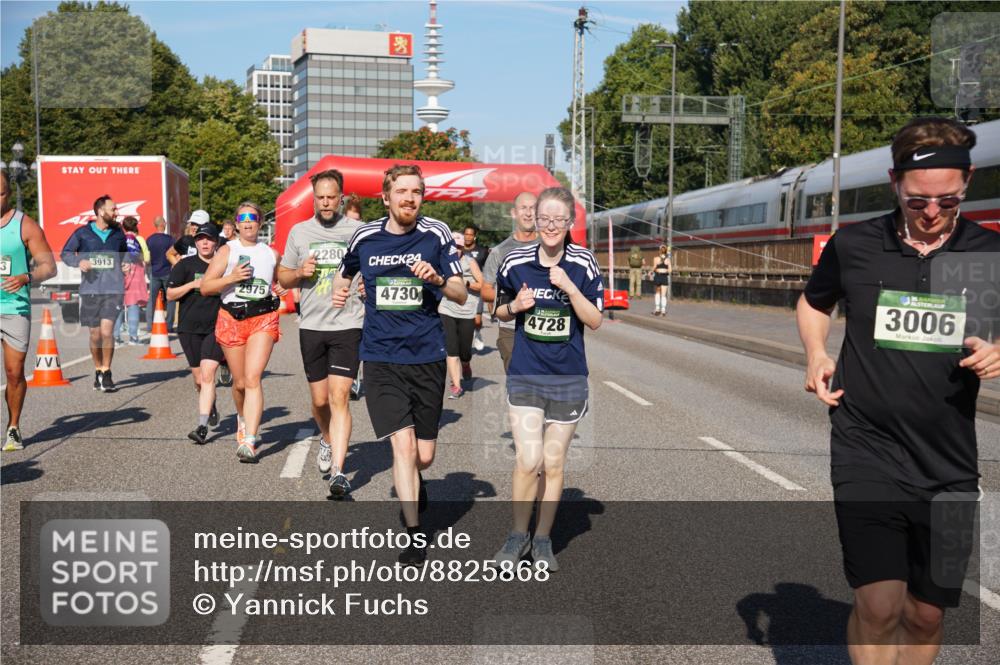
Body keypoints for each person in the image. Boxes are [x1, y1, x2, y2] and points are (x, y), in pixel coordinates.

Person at [797, 117, 1000, 665]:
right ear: (895, 183)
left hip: (949, 462)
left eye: (948, 201)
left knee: (926, 614)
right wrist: (817, 353)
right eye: (918, 201)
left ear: (967, 182)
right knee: (880, 605)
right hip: (866, 447)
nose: (932, 212)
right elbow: (814, 302)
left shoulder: (989, 254)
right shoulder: (856, 245)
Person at [334, 164, 466, 565]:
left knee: (424, 456)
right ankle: (414, 533)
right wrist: (341, 291)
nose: (410, 198)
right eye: (402, 191)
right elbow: (343, 272)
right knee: (402, 447)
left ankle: (417, 480)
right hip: (380, 357)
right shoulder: (365, 236)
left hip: (427, 356)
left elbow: (461, 293)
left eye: (416, 192)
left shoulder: (436, 234)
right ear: (385, 197)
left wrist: (438, 280)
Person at [492, 187, 603, 572]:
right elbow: (497, 310)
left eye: (559, 219)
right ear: (534, 220)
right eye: (545, 219)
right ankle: (516, 535)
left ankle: (542, 539)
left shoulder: (583, 263)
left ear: (570, 222)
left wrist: (570, 288)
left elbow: (595, 319)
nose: (551, 226)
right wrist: (515, 306)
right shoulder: (515, 261)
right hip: (526, 374)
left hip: (568, 379)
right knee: (528, 460)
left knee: (553, 464)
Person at [277, 168, 364, 498]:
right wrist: (300, 272)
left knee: (340, 396)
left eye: (331, 197)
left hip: (348, 323)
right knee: (319, 400)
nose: (326, 203)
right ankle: (326, 438)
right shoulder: (299, 232)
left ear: (341, 198)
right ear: (313, 199)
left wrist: (367, 288)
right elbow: (283, 277)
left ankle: (339, 472)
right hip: (312, 325)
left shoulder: (357, 231)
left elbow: (373, 269)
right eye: (320, 198)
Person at [201, 202, 285, 462]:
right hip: (232, 319)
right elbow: (205, 287)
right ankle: (242, 417)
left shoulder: (271, 254)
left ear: (260, 222)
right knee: (239, 384)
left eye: (253, 218)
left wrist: (283, 286)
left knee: (252, 378)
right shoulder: (228, 250)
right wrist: (232, 277)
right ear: (236, 224)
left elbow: (282, 280)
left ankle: (250, 440)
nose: (248, 222)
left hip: (263, 319)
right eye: (243, 218)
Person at [0, 170, 56, 451]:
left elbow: (49, 267)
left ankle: (13, 427)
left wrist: (26, 277)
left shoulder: (25, 225)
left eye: (0, 193)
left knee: (14, 372)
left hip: (14, 307)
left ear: (9, 194)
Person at [61, 195, 135, 392]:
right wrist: (79, 262)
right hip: (90, 291)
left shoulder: (118, 234)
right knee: (95, 335)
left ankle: (107, 371)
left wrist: (126, 263)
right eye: (113, 209)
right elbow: (66, 253)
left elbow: (124, 253)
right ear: (101, 211)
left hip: (113, 289)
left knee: (107, 332)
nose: (117, 212)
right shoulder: (82, 233)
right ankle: (98, 370)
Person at [167, 223, 224, 444]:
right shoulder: (185, 265)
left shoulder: (224, 264)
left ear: (216, 242)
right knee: (199, 379)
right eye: (200, 239)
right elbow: (170, 294)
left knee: (208, 374)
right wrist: (192, 284)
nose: (204, 243)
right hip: (189, 328)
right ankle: (210, 404)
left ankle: (201, 427)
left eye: (209, 239)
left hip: (216, 327)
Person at [481, 192, 538, 372]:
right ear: (514, 213)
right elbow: (485, 290)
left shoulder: (550, 246)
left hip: (543, 326)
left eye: (533, 208)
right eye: (523, 208)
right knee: (520, 381)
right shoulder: (500, 251)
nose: (528, 213)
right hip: (511, 327)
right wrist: (513, 300)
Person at [440, 230, 484, 398]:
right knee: (451, 348)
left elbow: (482, 285)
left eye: (459, 247)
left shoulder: (469, 261)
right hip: (446, 309)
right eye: (453, 247)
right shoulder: (442, 262)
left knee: (464, 351)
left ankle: (465, 364)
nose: (456, 250)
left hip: (467, 310)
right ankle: (456, 385)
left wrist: (465, 283)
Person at [341, 193, 365, 400]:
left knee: (355, 339)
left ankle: (354, 376)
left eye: (356, 221)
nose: (353, 226)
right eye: (349, 220)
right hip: (338, 294)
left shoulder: (366, 235)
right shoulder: (335, 235)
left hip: (359, 296)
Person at [113, 217, 148, 345]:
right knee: (133, 305)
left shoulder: (118, 239)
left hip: (118, 272)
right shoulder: (138, 239)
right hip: (135, 272)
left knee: (118, 305)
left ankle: (116, 337)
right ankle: (133, 337)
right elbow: (146, 257)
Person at [146, 216, 176, 333]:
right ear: (164, 224)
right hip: (167, 272)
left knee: (151, 300)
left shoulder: (150, 239)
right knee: (171, 299)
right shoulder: (170, 239)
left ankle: (150, 326)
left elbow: (147, 257)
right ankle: (169, 326)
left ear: (155, 225)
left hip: (154, 272)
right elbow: (174, 254)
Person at [463, 224, 489, 351]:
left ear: (474, 236)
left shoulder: (482, 251)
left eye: (470, 234)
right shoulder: (458, 249)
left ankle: (477, 332)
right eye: (466, 234)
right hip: (461, 288)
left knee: (477, 321)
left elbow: (488, 269)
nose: (468, 237)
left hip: (477, 289)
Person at [651, 244, 670, 316]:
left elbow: (654, 267)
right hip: (664, 276)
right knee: (663, 294)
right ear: (666, 251)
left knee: (657, 293)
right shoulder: (668, 260)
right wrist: (666, 271)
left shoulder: (656, 258)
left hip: (658, 276)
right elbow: (670, 270)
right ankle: (663, 310)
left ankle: (657, 309)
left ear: (659, 250)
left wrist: (650, 272)